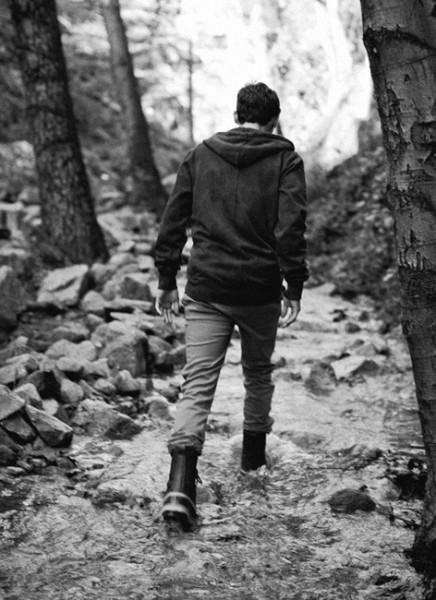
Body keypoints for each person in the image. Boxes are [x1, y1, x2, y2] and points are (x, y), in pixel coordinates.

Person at [154, 82, 308, 530]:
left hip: (208, 286)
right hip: (260, 289)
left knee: (198, 383)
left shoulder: (200, 155)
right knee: (257, 373)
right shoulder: (286, 160)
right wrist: (294, 285)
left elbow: (174, 219)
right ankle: (253, 467)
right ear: (274, 120)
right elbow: (291, 228)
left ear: (237, 115)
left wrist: (166, 278)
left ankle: (180, 489)